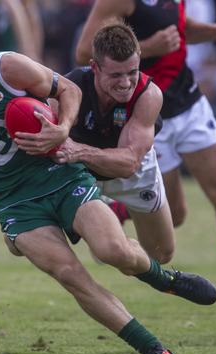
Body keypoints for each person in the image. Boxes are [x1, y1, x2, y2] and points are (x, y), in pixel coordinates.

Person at [0, 2, 216, 354]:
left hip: (59, 175)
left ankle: (165, 280)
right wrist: (8, 222)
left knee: (114, 251)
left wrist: (61, 130)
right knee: (71, 275)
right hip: (15, 201)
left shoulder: (2, 66)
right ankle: (156, 351)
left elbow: (70, 90)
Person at [75, 0, 216, 316]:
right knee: (174, 216)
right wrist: (148, 48)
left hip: (189, 100)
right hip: (149, 113)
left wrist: (213, 32)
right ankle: (113, 214)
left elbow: (177, 29)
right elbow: (85, 54)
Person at [57, 22, 177, 266]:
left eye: (132, 72)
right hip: (81, 172)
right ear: (95, 68)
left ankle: (115, 211)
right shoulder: (71, 87)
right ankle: (101, 215)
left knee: (160, 254)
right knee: (108, 253)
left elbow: (129, 163)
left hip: (129, 172)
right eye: (115, 75)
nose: (125, 83)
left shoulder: (149, 95)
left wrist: (80, 151)